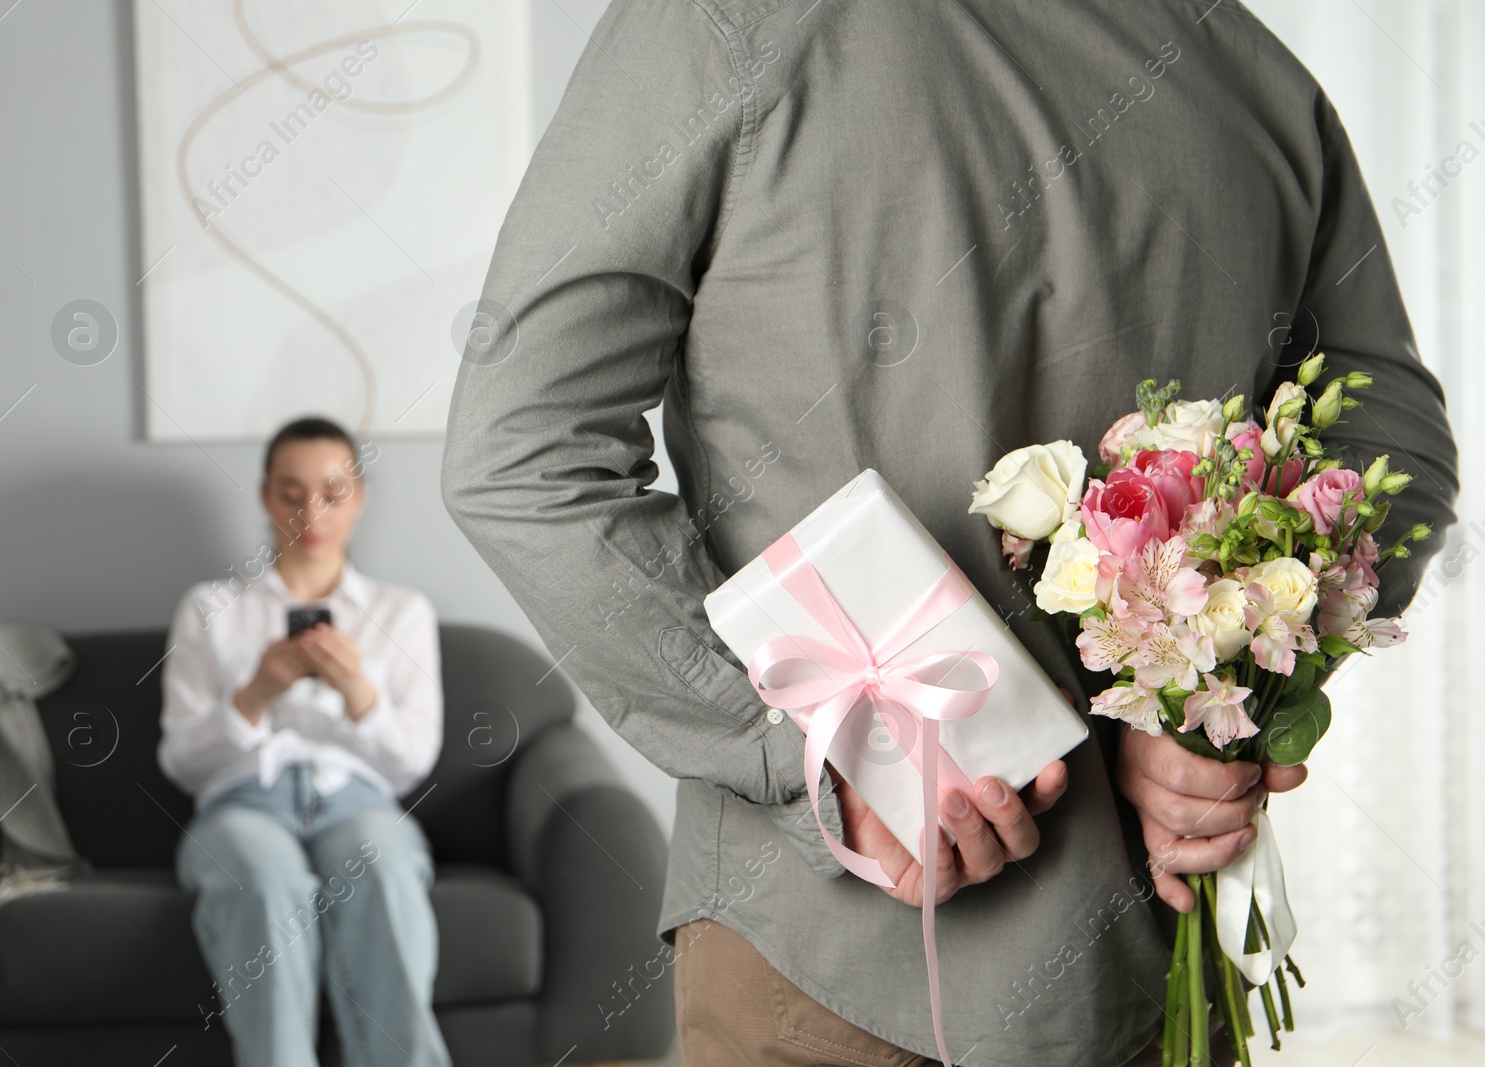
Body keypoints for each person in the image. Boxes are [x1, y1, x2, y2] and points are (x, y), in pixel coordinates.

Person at [440, 2, 1459, 1065]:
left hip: (838, 969)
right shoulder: (1248, 63)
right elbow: (1394, 453)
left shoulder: (717, 25)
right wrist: (1213, 697)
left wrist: (818, 758)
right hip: (1141, 967)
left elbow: (516, 453)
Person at [158, 417, 451, 1067]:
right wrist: (257, 691)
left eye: (332, 490)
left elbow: (411, 763)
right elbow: (180, 759)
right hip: (242, 805)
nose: (311, 510)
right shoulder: (209, 607)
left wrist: (358, 690)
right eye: (291, 493)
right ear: (266, 496)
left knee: (383, 864)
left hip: (358, 803)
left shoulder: (402, 611)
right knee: (263, 877)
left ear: (360, 496)